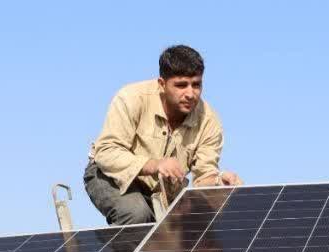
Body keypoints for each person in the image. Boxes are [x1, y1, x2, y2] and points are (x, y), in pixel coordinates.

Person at [84, 45, 242, 226]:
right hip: (108, 174)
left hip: (161, 190)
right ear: (162, 84)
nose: (190, 94)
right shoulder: (131, 98)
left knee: (190, 228)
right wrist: (155, 164)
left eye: (196, 84)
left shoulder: (209, 120)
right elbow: (106, 153)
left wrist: (219, 181)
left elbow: (203, 178)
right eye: (181, 85)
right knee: (136, 214)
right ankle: (121, 244)